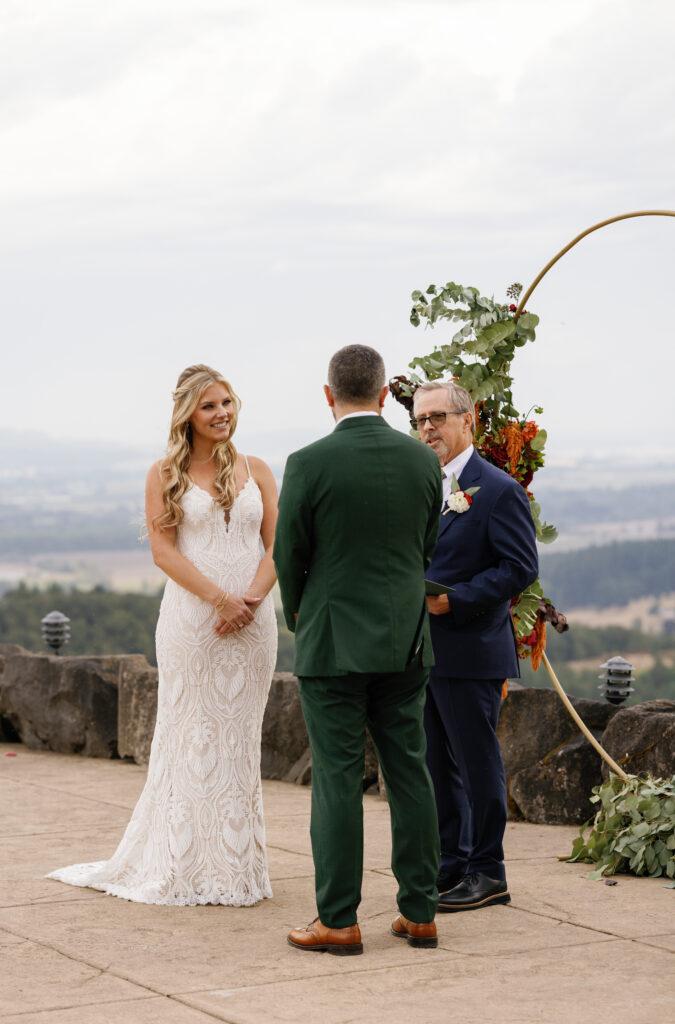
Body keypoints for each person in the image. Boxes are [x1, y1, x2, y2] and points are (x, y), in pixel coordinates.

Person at [47, 364, 278, 906]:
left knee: (239, 743)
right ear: (188, 416)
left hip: (253, 624)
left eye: (226, 402)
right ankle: (182, 863)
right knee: (190, 736)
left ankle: (238, 867)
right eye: (208, 406)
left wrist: (249, 601)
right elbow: (164, 552)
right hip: (192, 624)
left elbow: (280, 545)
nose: (221, 413)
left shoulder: (259, 469)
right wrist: (219, 600)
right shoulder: (163, 473)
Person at [274, 344, 443, 956]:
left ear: (328, 396)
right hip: (405, 641)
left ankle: (339, 920)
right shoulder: (423, 463)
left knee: (338, 781)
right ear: (381, 395)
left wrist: (302, 614)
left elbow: (289, 555)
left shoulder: (308, 462)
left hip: (333, 641)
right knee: (410, 773)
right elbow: (425, 547)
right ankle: (420, 911)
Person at [413, 380, 538, 912]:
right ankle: (450, 866)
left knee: (477, 763)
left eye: (438, 417)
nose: (428, 428)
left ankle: (489, 871)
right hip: (425, 652)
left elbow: (520, 567)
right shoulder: (421, 484)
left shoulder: (498, 488)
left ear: (469, 420)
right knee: (438, 765)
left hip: (472, 649)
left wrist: (456, 601)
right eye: (421, 420)